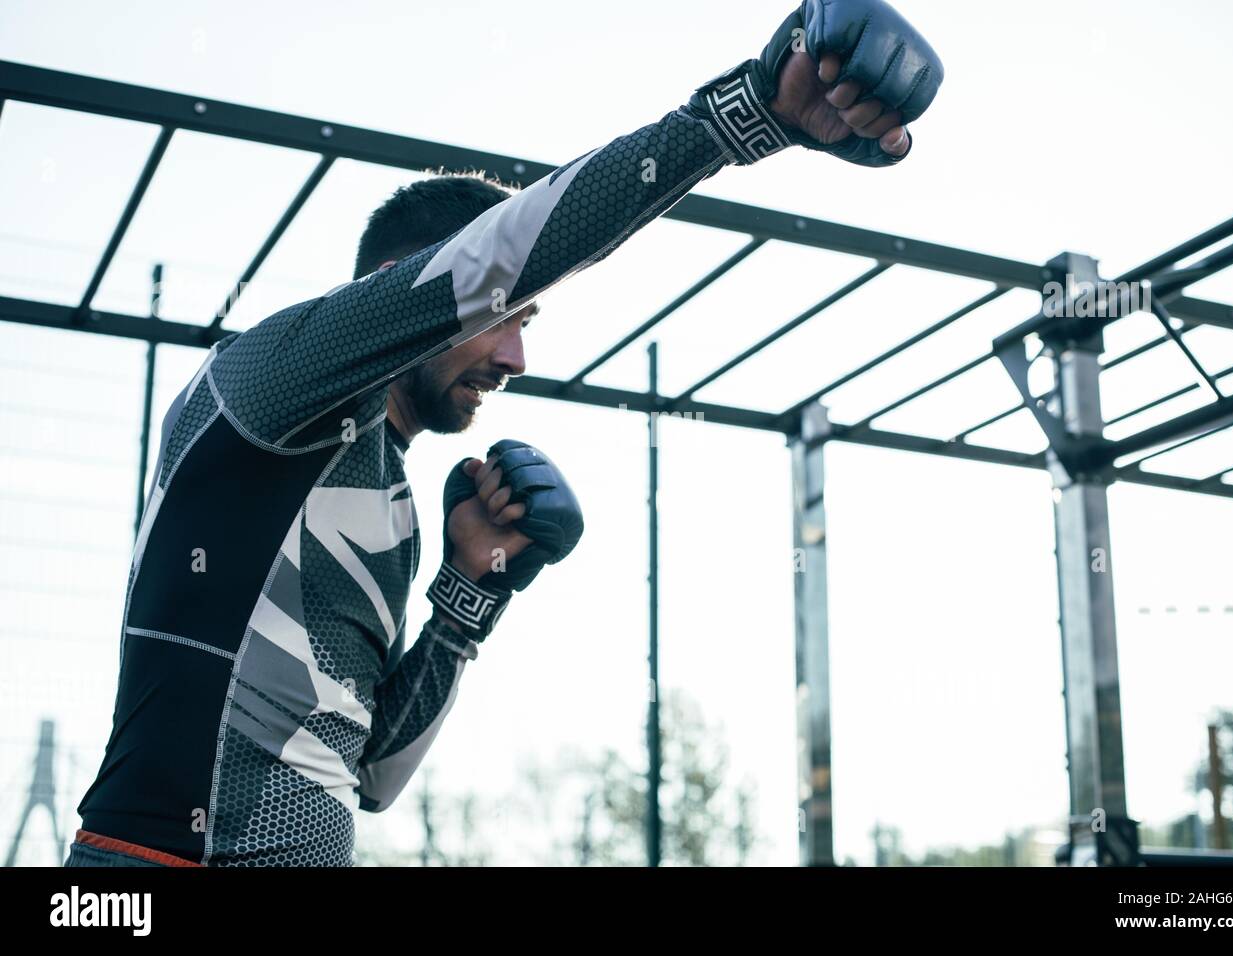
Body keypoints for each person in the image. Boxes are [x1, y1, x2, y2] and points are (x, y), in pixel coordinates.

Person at [67, 0, 942, 866]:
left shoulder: (392, 507)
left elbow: (366, 775)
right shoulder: (264, 384)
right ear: (402, 284)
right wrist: (749, 111)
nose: (518, 356)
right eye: (505, 318)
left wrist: (468, 594)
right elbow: (510, 249)